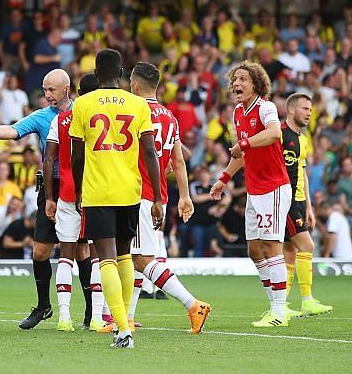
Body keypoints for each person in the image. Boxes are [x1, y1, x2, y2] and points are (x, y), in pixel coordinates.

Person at [69, 49, 164, 348]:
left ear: (96, 75)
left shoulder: (83, 104)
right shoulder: (138, 105)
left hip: (98, 191)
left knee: (106, 258)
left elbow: (77, 155)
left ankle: (122, 329)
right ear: (122, 72)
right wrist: (158, 197)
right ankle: (124, 324)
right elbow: (150, 152)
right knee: (125, 257)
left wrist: (79, 190)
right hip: (130, 191)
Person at [0, 68, 75, 330]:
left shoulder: (82, 111)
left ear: (66, 89)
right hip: (50, 186)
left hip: (79, 186)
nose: (47, 95)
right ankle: (43, 306)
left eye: (52, 90)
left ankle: (91, 314)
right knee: (40, 251)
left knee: (83, 250)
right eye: (45, 90)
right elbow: (13, 131)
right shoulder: (41, 117)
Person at [125, 62, 211, 334]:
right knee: (136, 256)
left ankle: (193, 304)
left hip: (138, 192)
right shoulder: (170, 117)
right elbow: (179, 161)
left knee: (141, 259)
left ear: (135, 86)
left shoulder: (133, 111)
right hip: (157, 194)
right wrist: (185, 196)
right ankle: (127, 316)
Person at [210, 60, 292, 327]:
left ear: (256, 84)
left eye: (243, 79)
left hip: (274, 187)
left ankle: (280, 311)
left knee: (271, 246)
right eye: (235, 79)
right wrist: (223, 178)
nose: (237, 83)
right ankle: (274, 306)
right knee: (254, 250)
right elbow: (243, 153)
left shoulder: (265, 107)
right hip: (255, 190)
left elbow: (274, 133)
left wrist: (243, 142)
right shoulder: (237, 112)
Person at [44, 74, 100, 332]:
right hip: (97, 192)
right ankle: (99, 316)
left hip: (66, 192)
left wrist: (49, 197)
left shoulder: (61, 119)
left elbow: (49, 159)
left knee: (66, 256)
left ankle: (64, 317)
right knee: (99, 256)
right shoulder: (100, 119)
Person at [281, 93, 332, 318]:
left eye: (310, 110)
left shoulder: (303, 139)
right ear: (291, 110)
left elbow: (303, 172)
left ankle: (281, 304)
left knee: (290, 252)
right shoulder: (280, 134)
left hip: (300, 201)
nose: (309, 113)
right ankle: (307, 301)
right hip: (286, 199)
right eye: (305, 109)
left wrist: (309, 206)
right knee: (307, 246)